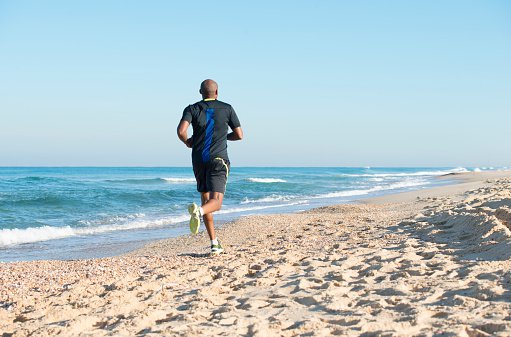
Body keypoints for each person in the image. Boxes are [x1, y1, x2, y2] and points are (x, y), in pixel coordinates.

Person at [177, 79, 243, 255]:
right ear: (217, 92)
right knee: (216, 203)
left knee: (206, 200)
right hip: (218, 160)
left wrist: (188, 142)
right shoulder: (227, 108)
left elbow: (181, 131)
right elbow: (239, 135)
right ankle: (199, 212)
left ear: (200, 92)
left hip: (199, 160)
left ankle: (214, 243)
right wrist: (223, 137)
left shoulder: (192, 108)